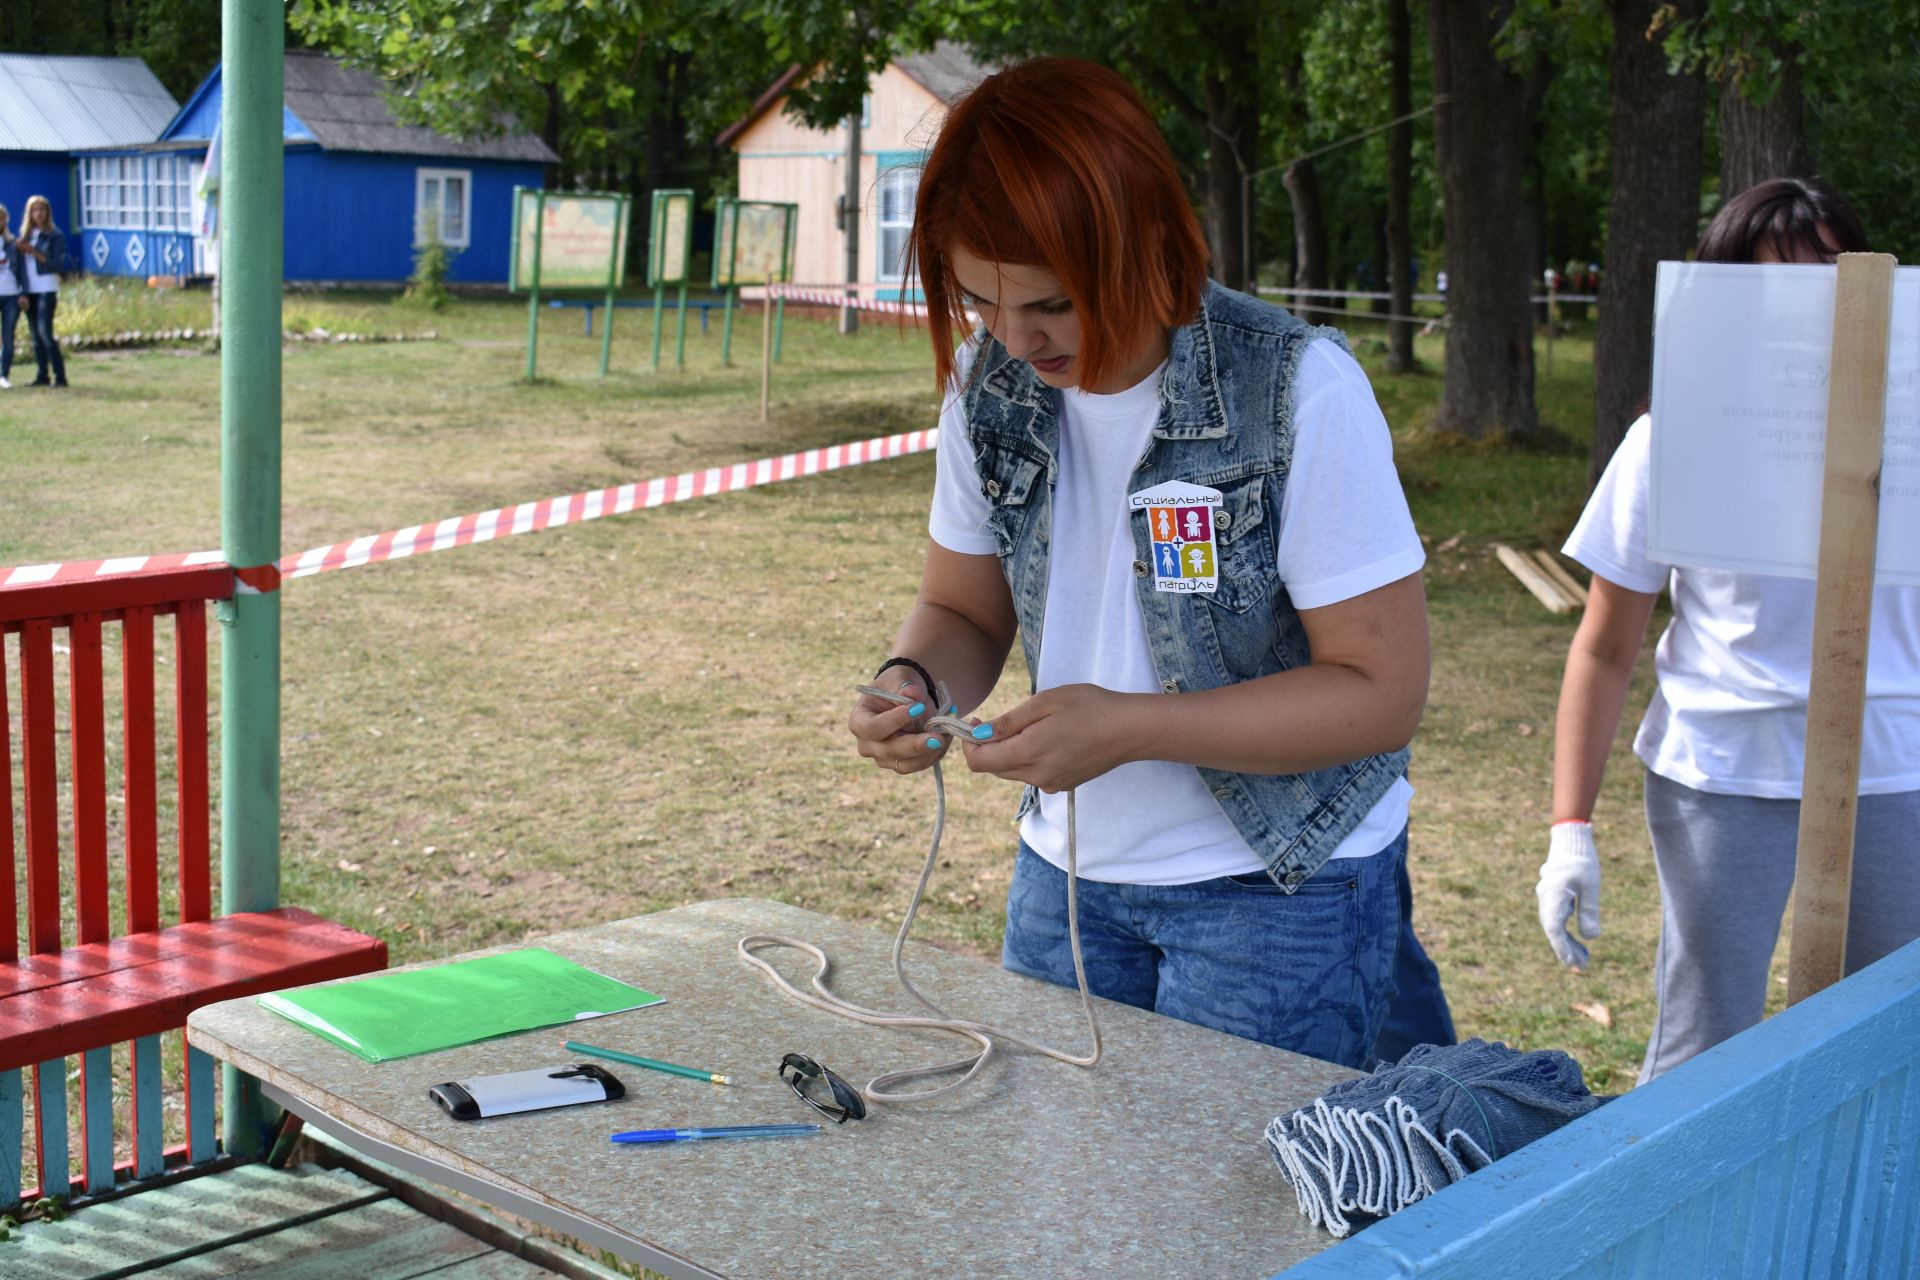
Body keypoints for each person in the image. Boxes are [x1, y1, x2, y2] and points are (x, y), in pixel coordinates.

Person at [847, 58, 1452, 1070]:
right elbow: (961, 607)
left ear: (1140, 239)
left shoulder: (1299, 389)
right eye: (981, 301)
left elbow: (1381, 692)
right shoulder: (988, 391)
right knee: (1059, 1204)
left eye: (1048, 304)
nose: (1015, 338)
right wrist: (914, 681)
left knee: (1238, 1226)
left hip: (1279, 888)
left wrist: (1132, 728)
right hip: (1068, 876)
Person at [1537, 177, 1920, 1082]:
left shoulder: (1912, 438)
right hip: (1723, 767)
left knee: (1881, 1045)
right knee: (1705, 1046)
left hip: (1896, 766)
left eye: (1829, 276)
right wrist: (1569, 829)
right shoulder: (1672, 440)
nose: (1805, 307)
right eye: (1770, 286)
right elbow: (1604, 643)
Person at [18, 194, 68, 388]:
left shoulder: (55, 235)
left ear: (48, 213)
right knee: (35, 335)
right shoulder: (25, 235)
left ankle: (60, 376)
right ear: (29, 213)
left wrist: (33, 251)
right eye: (35, 210)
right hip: (29, 289)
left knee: (45, 332)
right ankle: (42, 375)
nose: (38, 214)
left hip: (46, 288)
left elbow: (57, 263)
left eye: (42, 210)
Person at [0, 204, 21, 390]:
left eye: (1, 218)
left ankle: (3, 375)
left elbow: (20, 271)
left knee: (7, 337)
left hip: (11, 296)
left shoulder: (13, 243)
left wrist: (23, 293)